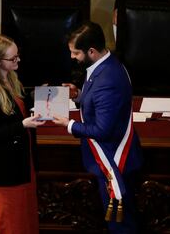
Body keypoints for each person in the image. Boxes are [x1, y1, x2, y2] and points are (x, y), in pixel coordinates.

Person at [52, 22, 143, 233]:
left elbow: (102, 130)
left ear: (91, 51)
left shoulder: (107, 80)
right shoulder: (105, 66)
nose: (72, 57)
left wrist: (70, 124)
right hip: (111, 159)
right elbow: (100, 104)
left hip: (113, 162)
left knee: (120, 224)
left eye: (76, 52)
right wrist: (78, 95)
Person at [0, 34, 45, 234]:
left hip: (22, 164)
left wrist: (37, 95)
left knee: (25, 219)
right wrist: (22, 125)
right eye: (13, 59)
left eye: (17, 56)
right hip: (5, 171)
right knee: (11, 223)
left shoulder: (11, 80)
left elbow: (17, 107)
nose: (18, 60)